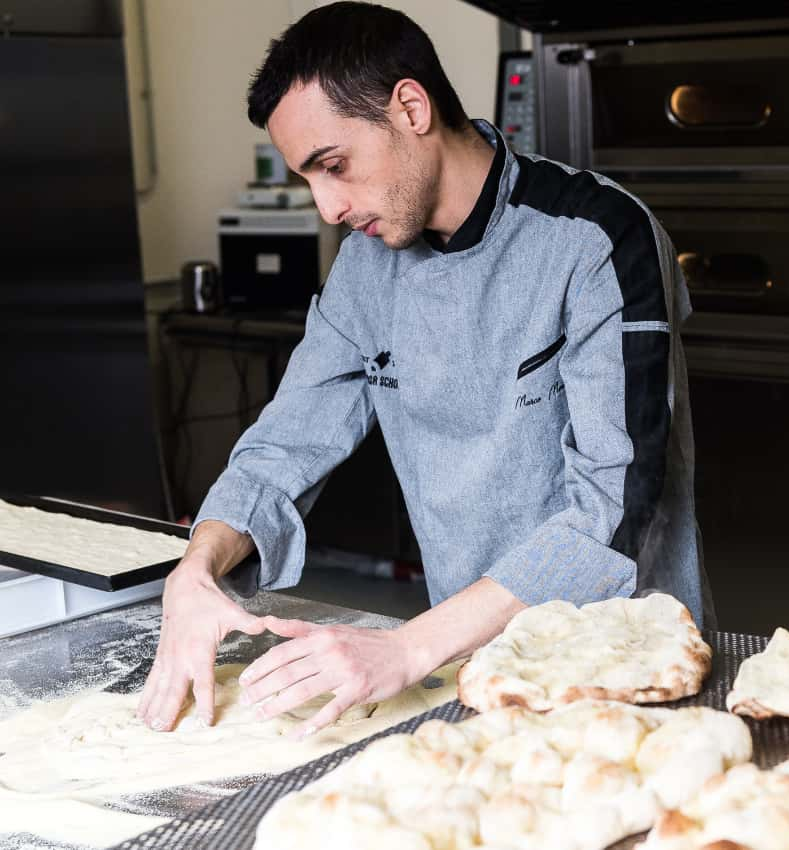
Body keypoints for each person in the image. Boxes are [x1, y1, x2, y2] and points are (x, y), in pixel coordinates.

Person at [137, 1, 709, 737]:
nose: (329, 207)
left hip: (634, 668)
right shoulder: (365, 272)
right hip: (470, 668)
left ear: (410, 107)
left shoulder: (597, 238)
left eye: (333, 166)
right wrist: (198, 566)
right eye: (309, 180)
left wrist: (406, 647)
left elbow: (615, 502)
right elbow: (282, 447)